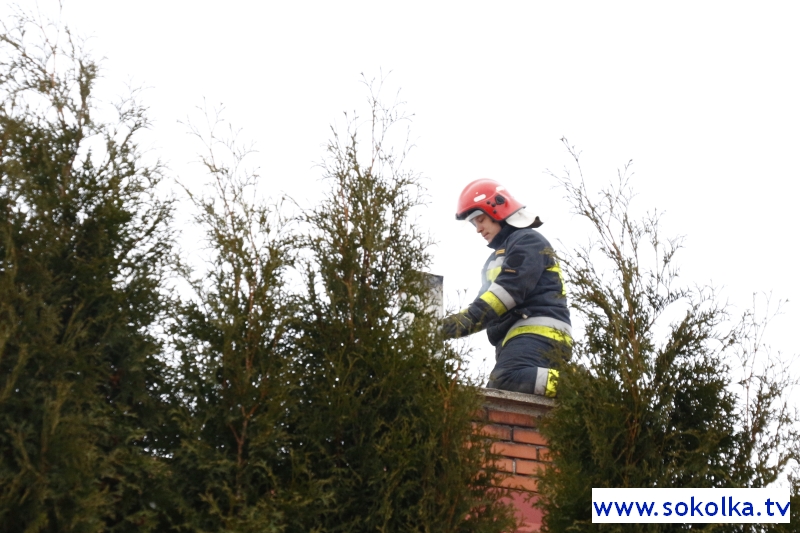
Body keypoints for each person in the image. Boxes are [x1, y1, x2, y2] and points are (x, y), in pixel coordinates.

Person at [441, 179, 572, 396]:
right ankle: (575, 395)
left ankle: (579, 389)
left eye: (480, 219)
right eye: (473, 224)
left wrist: (451, 325)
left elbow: (506, 293)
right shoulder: (497, 257)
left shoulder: (528, 240)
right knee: (502, 391)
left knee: (506, 380)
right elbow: (483, 304)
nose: (478, 229)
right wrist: (449, 325)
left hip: (538, 334)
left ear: (498, 210)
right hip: (518, 338)